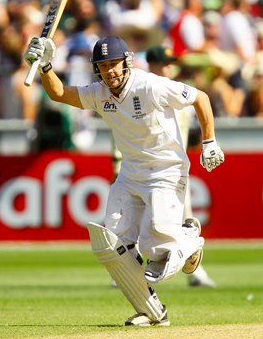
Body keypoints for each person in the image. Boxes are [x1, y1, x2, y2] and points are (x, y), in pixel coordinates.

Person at [24, 35, 224, 327]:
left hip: (166, 169)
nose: (110, 72)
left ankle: (189, 239)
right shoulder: (99, 92)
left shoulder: (150, 85)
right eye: (103, 67)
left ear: (127, 62)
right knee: (112, 245)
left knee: (156, 250)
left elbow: (200, 98)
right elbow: (59, 94)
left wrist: (209, 142)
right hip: (131, 173)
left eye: (114, 64)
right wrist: (45, 66)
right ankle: (152, 310)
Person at [145, 44, 216, 287]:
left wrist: (207, 144)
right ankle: (130, 270)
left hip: (174, 169)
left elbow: (190, 125)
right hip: (144, 167)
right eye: (164, 63)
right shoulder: (141, 89)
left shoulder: (177, 91)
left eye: (170, 63)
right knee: (141, 222)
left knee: (185, 219)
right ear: (151, 65)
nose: (168, 67)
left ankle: (195, 270)